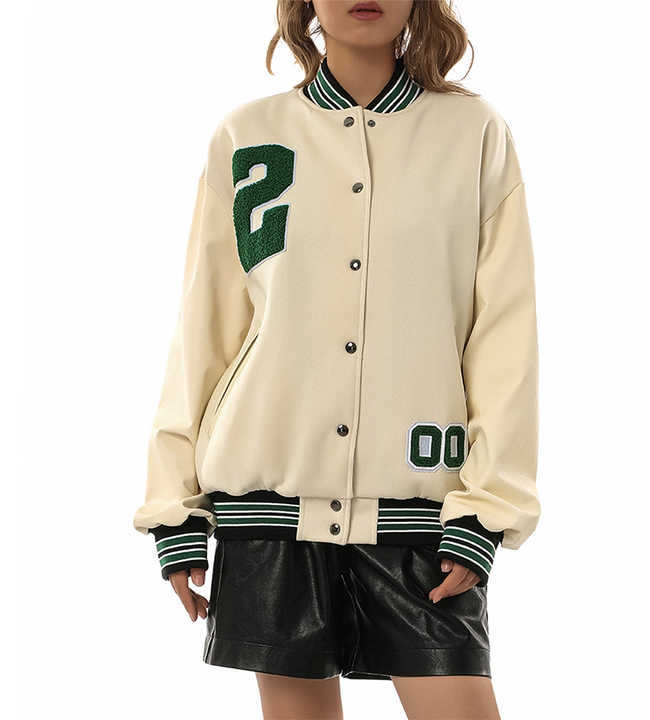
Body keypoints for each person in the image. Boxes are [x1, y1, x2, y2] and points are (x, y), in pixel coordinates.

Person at [133, 1, 540, 718]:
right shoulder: (249, 137)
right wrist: (175, 508)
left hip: (421, 512)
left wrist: (487, 507)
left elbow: (504, 335)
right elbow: (205, 329)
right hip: (269, 514)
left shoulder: (473, 134)